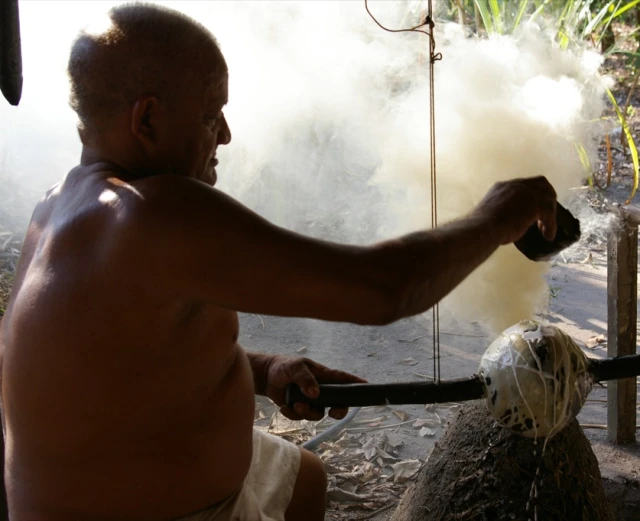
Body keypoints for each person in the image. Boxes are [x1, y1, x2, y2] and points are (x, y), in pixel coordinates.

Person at [0, 3, 558, 521]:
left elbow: (129, 362)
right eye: (210, 114)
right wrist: (495, 217)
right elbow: (383, 289)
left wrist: (263, 370)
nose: (226, 133)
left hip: (118, 483)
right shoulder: (152, 215)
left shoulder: (59, 203)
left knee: (305, 478)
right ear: (147, 121)